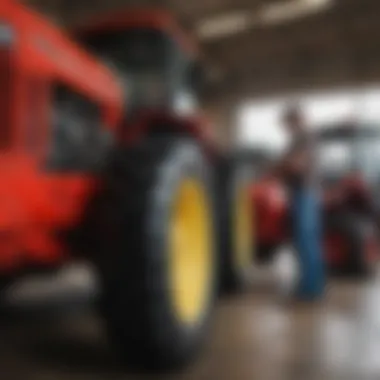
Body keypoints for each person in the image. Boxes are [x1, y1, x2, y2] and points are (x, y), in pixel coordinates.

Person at [275, 104, 325, 300]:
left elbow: (297, 165)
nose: (285, 128)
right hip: (303, 193)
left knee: (306, 241)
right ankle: (309, 285)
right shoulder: (301, 138)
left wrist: (278, 167)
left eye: (286, 123)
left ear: (295, 120)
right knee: (305, 240)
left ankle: (310, 289)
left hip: (305, 193)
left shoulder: (304, 137)